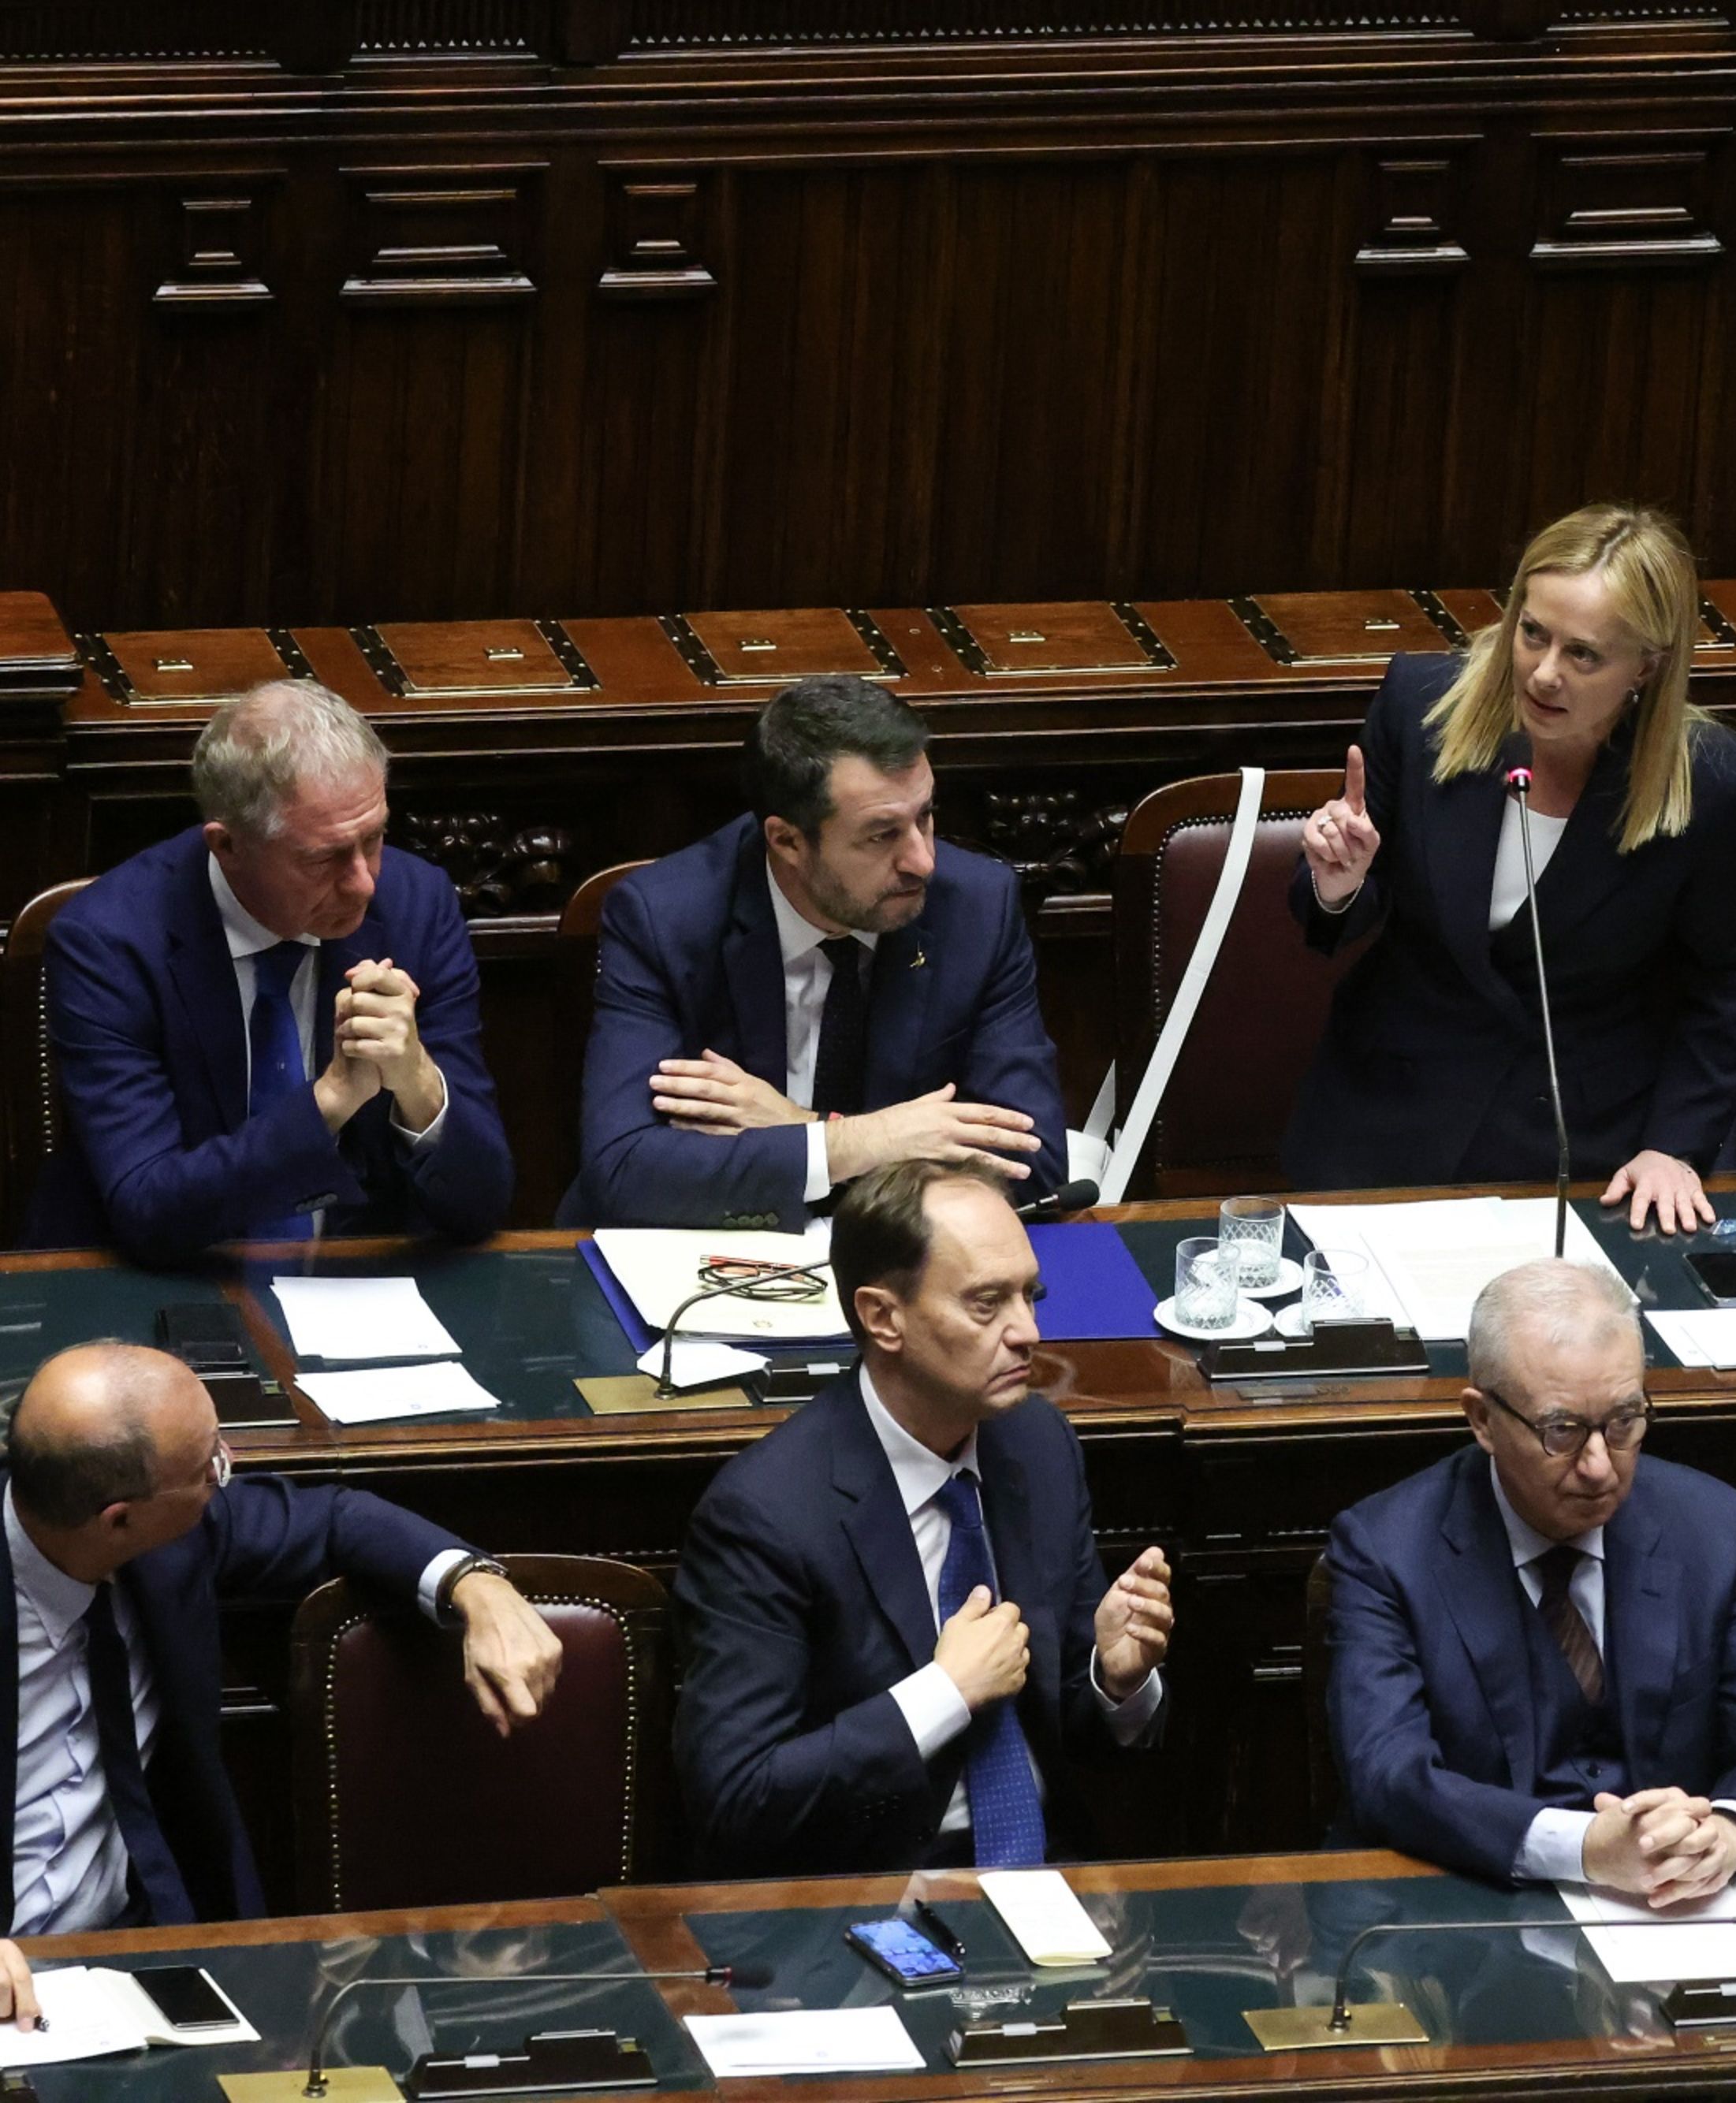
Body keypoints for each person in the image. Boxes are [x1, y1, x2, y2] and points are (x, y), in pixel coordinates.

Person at [0, 1342, 558, 2023]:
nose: (224, 1473)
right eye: (210, 1467)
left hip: (145, 1962)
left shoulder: (173, 1533)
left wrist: (479, 1585)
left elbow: (337, 1519)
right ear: (119, 1519)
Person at [672, 1160, 1172, 1876]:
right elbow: (736, 1799)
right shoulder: (767, 1514)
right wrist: (942, 1695)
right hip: (866, 1895)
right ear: (883, 1317)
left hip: (1049, 1873)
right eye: (986, 1304)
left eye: (1031, 1296)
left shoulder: (1037, 1446)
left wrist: (1113, 1680)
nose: (1027, 1332)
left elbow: (1072, 1721)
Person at [1287, 504, 1736, 1230]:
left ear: (1648, 665)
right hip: (1384, 1125)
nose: (1544, 674)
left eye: (1584, 655)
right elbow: (1345, 905)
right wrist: (1339, 882)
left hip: (1579, 1149)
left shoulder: (1708, 784)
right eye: (1532, 633)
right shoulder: (1421, 707)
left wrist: (1674, 1145)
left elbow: (1724, 985)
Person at [1324, 1260, 1736, 1893]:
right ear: (1482, 1420)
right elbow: (1388, 1776)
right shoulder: (1387, 1550)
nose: (1598, 1467)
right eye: (1562, 1431)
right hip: (1469, 1907)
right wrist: (1584, 1848)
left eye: (1623, 1422)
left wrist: (1726, 1834)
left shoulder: (1714, 1528)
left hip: (1679, 1905)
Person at [564, 675, 1064, 1230]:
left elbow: (1031, 1168)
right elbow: (624, 1173)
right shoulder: (665, 918)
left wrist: (805, 1128)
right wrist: (853, 1142)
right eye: (881, 835)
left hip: (904, 1264)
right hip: (718, 1256)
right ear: (788, 842)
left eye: (924, 816)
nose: (923, 861)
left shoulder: (976, 908)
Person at [35, 681, 512, 1262]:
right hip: (166, 1286)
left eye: (374, 838)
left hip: (361, 1290)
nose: (364, 881)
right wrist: (331, 1099)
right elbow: (147, 1207)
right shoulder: (109, 941)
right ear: (227, 846)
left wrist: (417, 1083)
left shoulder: (417, 906)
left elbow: (482, 1203)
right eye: (324, 856)